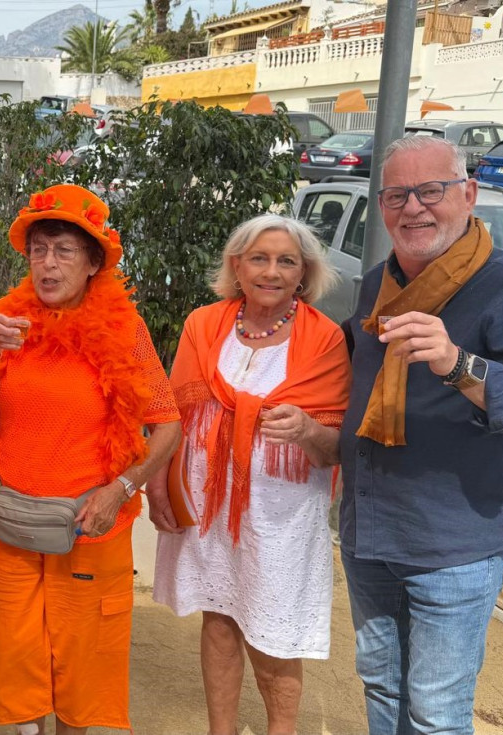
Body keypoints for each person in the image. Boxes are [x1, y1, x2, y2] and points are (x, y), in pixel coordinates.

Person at [340, 136, 503, 734]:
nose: (413, 207)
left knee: (436, 715)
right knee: (382, 686)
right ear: (382, 207)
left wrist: (456, 363)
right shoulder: (377, 284)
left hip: (452, 543)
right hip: (370, 531)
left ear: (468, 194)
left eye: (430, 190)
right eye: (397, 195)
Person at [0, 184, 182, 735]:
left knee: (82, 673)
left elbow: (167, 424)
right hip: (9, 525)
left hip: (89, 527)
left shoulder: (125, 330)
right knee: (15, 665)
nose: (47, 264)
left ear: (93, 262)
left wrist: (121, 489)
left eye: (64, 250)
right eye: (38, 250)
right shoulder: (8, 322)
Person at [146, 214, 350, 735]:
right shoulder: (203, 325)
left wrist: (306, 429)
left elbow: (336, 448)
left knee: (273, 637)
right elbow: (172, 413)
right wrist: (156, 484)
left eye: (286, 261)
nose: (271, 272)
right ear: (237, 266)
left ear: (304, 273)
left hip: (281, 517)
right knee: (218, 619)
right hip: (208, 506)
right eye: (259, 258)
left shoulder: (325, 339)